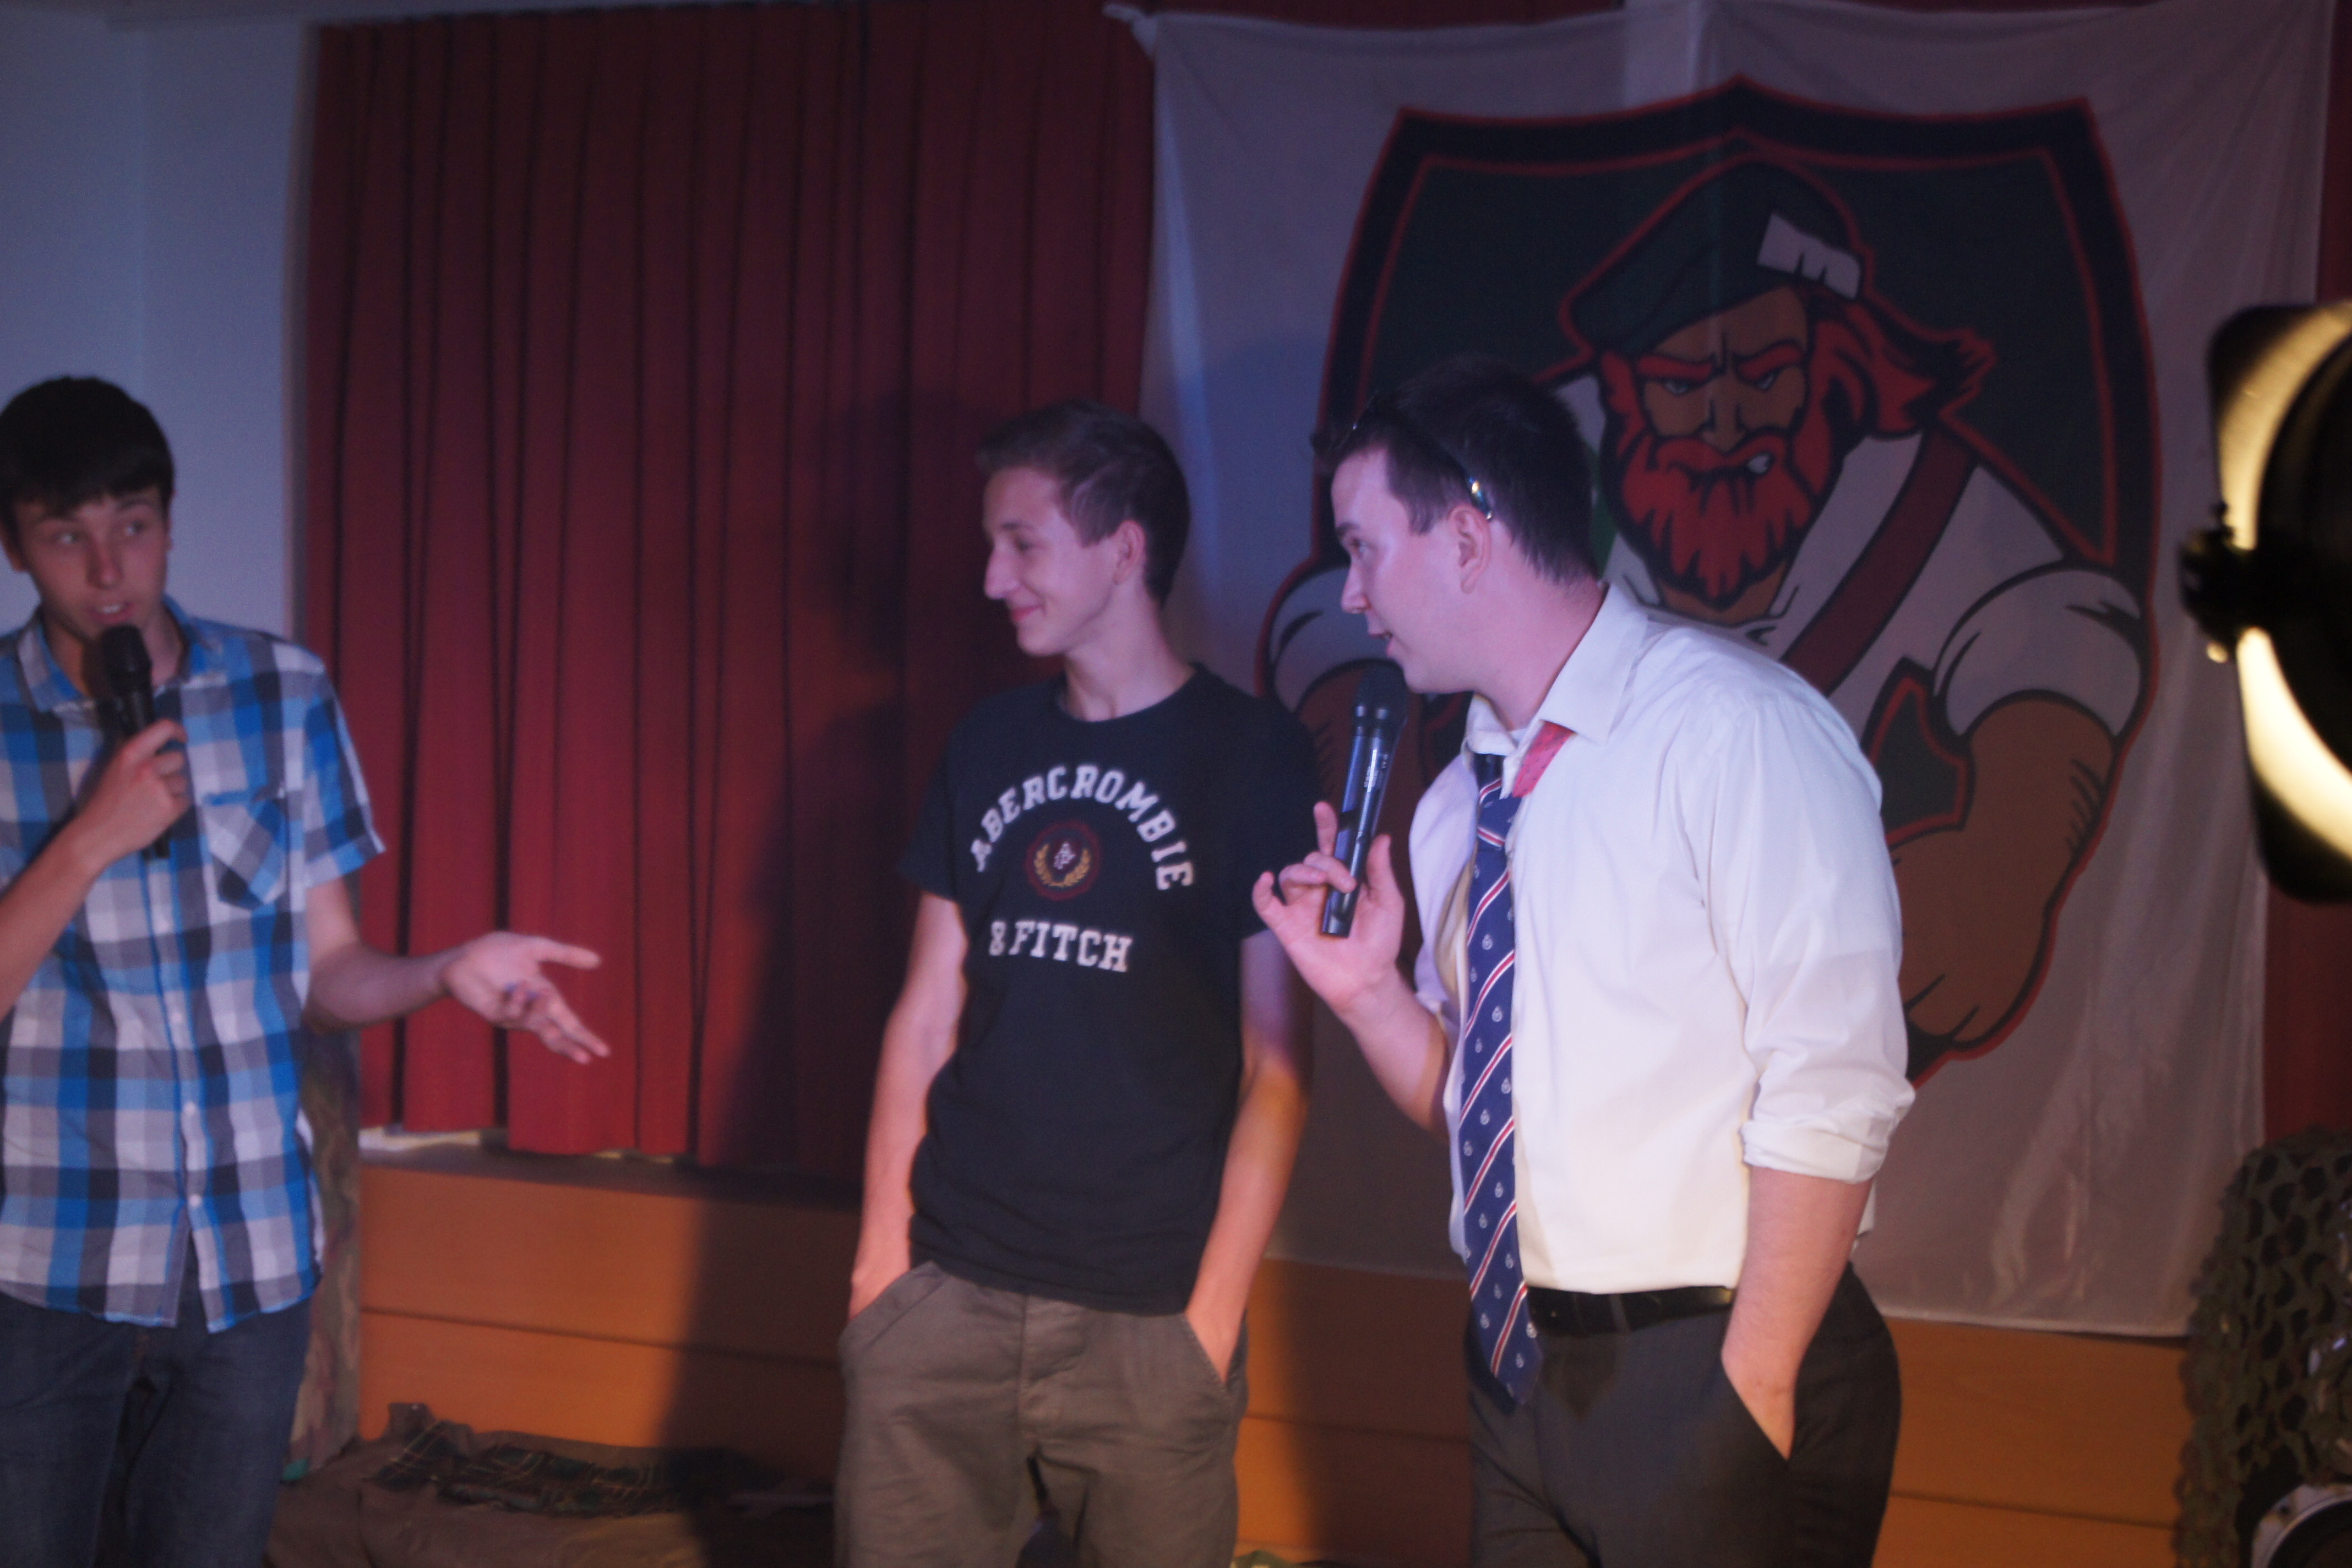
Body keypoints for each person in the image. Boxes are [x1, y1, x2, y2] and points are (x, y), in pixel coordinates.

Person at [1254, 355, 1914, 1567]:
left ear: (1467, 538)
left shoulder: (1732, 728)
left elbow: (1838, 1079)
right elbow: (1480, 1112)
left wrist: (1753, 1384)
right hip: (1519, 1372)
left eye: (1363, 549)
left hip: (1714, 1355)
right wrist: (1368, 996)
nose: (1350, 594)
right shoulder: (1458, 803)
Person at [0, 376, 608, 1568]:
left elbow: (328, 973)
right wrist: (87, 842)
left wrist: (446, 970)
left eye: (134, 525)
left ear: (170, 524)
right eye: (66, 535)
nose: (109, 569)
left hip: (249, 1254)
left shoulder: (281, 691)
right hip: (49, 1260)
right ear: (17, 547)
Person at [837, 400, 1317, 1566]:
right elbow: (925, 1014)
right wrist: (879, 1273)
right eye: (991, 545)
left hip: (1151, 1323)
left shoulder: (1254, 753)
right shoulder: (988, 741)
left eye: (1023, 543)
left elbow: (1278, 1065)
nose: (992, 578)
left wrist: (1211, 1316)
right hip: (944, 1297)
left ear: (1124, 549)